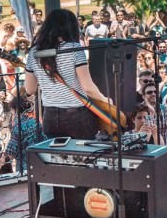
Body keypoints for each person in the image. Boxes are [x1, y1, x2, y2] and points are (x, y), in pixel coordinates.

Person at [25, 9, 115, 140]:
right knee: (82, 156)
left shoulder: (34, 52)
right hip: (76, 115)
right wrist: (104, 99)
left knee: (56, 158)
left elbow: (29, 89)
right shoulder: (74, 49)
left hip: (49, 115)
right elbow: (87, 87)